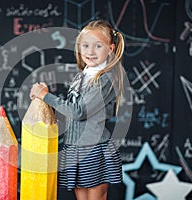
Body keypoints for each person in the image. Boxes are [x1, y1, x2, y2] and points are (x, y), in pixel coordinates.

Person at [30, 19, 125, 200]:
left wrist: (46, 96)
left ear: (110, 49)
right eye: (86, 45)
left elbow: (78, 112)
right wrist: (44, 103)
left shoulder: (104, 80)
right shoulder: (82, 76)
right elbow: (70, 110)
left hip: (93, 149)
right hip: (74, 148)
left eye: (98, 46)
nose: (90, 51)